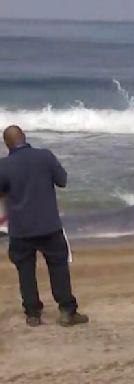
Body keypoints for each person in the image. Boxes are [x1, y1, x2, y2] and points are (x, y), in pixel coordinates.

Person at [0, 125, 88, 327]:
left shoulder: (3, 165)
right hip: (48, 225)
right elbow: (62, 181)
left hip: (20, 228)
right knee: (58, 267)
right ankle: (67, 311)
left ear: (7, 145)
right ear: (25, 137)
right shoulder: (45, 156)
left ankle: (33, 314)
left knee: (25, 271)